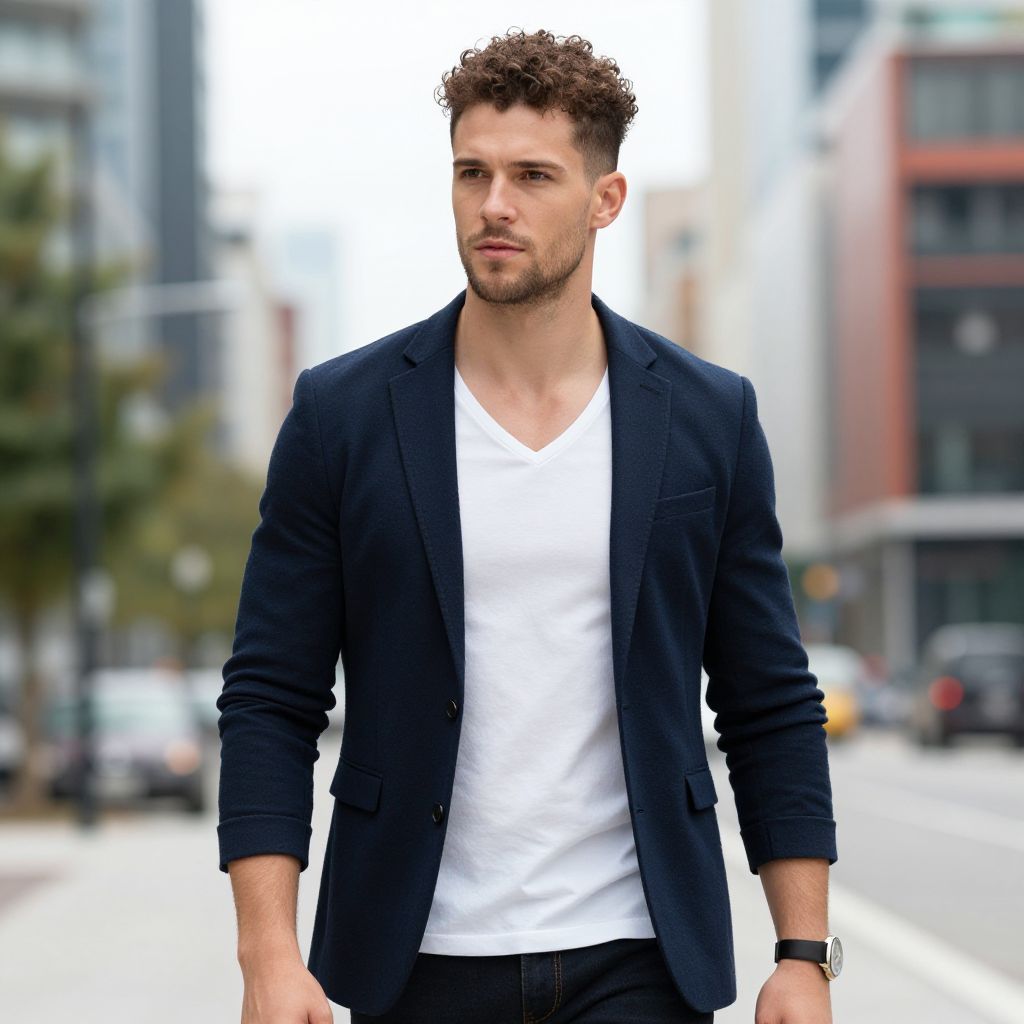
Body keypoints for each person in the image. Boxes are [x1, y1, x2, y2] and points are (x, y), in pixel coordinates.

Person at [217, 27, 841, 1024]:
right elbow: (269, 698)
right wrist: (268, 955)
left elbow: (767, 699)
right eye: (471, 172)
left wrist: (801, 955)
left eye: (531, 176)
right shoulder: (343, 416)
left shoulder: (705, 418)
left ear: (605, 199)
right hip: (411, 953)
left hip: (638, 955)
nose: (493, 204)